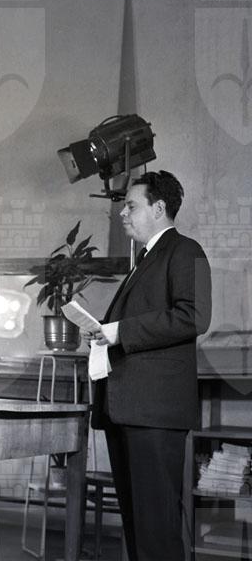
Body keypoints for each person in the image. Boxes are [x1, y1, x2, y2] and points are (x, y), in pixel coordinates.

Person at [87, 171, 212, 561]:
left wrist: (120, 331)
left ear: (159, 208)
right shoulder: (144, 261)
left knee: (155, 532)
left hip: (154, 413)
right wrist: (103, 332)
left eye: (131, 206)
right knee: (138, 528)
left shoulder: (186, 250)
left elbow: (195, 316)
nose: (122, 214)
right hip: (128, 409)